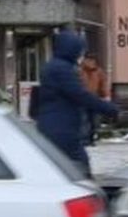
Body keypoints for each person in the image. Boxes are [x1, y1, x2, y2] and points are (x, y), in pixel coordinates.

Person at [36, 29, 119, 177]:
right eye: (79, 50)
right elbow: (79, 94)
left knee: (59, 169)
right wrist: (108, 108)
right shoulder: (62, 69)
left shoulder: (54, 66)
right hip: (61, 128)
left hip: (56, 126)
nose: (80, 54)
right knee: (80, 168)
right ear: (71, 49)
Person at [79, 51, 109, 145]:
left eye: (92, 59)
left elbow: (103, 84)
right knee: (88, 119)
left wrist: (105, 95)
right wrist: (105, 96)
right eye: (89, 59)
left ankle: (88, 139)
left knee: (89, 120)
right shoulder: (80, 71)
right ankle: (88, 139)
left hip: (89, 98)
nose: (90, 61)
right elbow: (103, 85)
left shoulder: (96, 71)